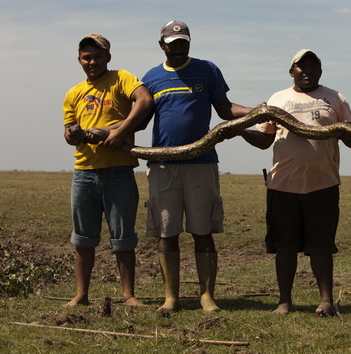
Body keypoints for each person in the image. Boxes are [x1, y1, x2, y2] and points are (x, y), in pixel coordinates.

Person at [142, 20, 254, 313]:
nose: (178, 47)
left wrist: (256, 112)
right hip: (163, 165)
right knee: (167, 232)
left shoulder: (207, 70)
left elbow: (225, 108)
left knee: (202, 230)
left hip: (202, 162)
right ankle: (171, 297)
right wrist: (110, 132)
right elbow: (138, 119)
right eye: (172, 43)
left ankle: (207, 296)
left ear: (189, 43)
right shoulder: (151, 78)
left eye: (183, 42)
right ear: (162, 45)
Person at [241, 49, 351, 316]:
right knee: (285, 247)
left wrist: (344, 130)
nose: (307, 70)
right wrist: (238, 129)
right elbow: (264, 140)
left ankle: (326, 300)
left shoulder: (335, 98)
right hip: (282, 184)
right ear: (291, 71)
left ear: (320, 70)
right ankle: (284, 301)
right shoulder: (277, 100)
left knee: (321, 247)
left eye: (312, 66)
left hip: (323, 184)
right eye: (300, 66)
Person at [62, 34, 153, 308]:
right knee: (83, 238)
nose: (92, 62)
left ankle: (128, 295)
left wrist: (121, 131)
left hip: (119, 171)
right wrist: (73, 135)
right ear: (79, 60)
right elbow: (68, 132)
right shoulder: (73, 93)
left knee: (123, 237)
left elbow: (145, 101)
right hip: (84, 172)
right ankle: (81, 295)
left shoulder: (121, 78)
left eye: (98, 56)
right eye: (87, 57)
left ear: (108, 58)